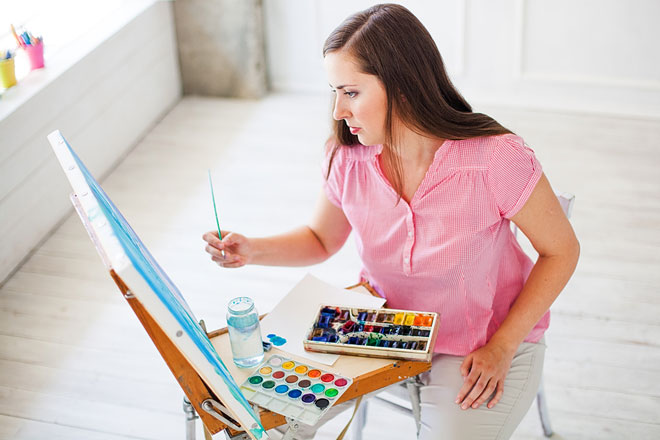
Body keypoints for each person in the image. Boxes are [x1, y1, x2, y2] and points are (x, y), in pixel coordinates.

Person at [202, 4, 579, 439]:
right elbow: (321, 240)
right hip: (380, 328)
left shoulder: (495, 159)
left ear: (401, 85)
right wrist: (252, 249)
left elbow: (561, 250)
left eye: (351, 92)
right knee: (257, 424)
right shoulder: (348, 158)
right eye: (334, 92)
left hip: (483, 341)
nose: (338, 111)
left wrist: (504, 344)